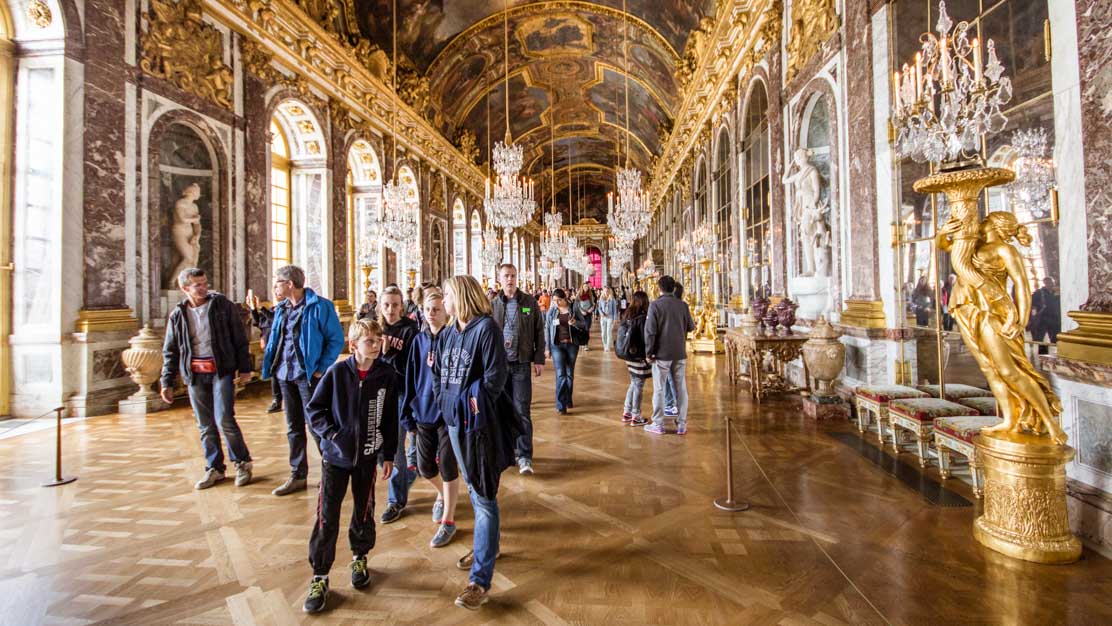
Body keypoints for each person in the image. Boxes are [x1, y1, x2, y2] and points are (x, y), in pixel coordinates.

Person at [302, 319, 398, 613]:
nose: (376, 344)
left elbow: (390, 418)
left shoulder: (386, 375)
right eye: (369, 340)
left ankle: (360, 556)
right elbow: (314, 410)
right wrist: (332, 434)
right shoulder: (337, 373)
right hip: (336, 458)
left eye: (378, 339)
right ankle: (320, 574)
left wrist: (388, 454)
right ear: (353, 345)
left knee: (364, 508)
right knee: (327, 515)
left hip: (367, 456)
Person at [434, 275, 519, 610]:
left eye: (448, 295)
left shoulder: (487, 329)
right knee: (473, 488)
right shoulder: (451, 332)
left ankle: (479, 581)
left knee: (483, 494)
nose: (444, 301)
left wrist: (465, 404)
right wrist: (445, 405)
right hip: (455, 423)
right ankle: (489, 544)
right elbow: (441, 374)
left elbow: (495, 380)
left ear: (462, 296)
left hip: (478, 424)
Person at [160, 268, 254, 490]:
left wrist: (245, 368)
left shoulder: (222, 306)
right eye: (197, 285)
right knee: (205, 424)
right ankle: (215, 468)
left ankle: (242, 463)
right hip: (195, 373)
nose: (203, 288)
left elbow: (239, 338)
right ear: (185, 289)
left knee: (224, 418)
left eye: (205, 283)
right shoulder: (178, 314)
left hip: (221, 369)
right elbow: (170, 350)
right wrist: (166, 381)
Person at [262, 264, 345, 496]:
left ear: (290, 284)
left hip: (308, 377)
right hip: (284, 375)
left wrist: (320, 369)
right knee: (293, 427)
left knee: (317, 425)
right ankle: (298, 474)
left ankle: (332, 470)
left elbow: (336, 340)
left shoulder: (321, 306)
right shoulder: (281, 308)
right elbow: (277, 340)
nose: (275, 286)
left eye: (277, 281)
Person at [401, 289, 461, 548]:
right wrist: (407, 412)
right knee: (425, 467)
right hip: (424, 410)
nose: (432, 314)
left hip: (448, 413)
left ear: (446, 311)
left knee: (448, 465)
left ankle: (448, 519)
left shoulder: (455, 338)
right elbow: (411, 376)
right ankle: (441, 495)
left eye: (437, 309)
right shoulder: (418, 341)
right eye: (428, 310)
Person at [489, 263, 545, 475]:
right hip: (499, 365)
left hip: (521, 363)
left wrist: (539, 358)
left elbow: (539, 331)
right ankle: (506, 451)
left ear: (517, 277)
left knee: (522, 410)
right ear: (500, 279)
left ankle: (525, 456)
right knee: (502, 409)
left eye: (513, 275)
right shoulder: (493, 304)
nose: (510, 280)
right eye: (506, 276)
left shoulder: (528, 302)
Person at [377, 285, 421, 524]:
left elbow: (411, 366)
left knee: (396, 450)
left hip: (401, 394)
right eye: (386, 305)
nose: (390, 310)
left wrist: (388, 354)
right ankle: (404, 477)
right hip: (378, 395)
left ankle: (396, 501)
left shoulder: (410, 330)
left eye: (395, 305)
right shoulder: (374, 328)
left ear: (402, 306)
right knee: (382, 448)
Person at [644, 275, 695, 435]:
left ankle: (658, 423)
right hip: (679, 352)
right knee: (681, 388)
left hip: (661, 354)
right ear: (673, 288)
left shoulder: (655, 306)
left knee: (659, 389)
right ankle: (681, 424)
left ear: (659, 288)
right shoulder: (683, 305)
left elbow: (650, 332)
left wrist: (649, 352)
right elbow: (691, 327)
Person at [545, 288, 587, 415]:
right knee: (560, 374)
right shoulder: (551, 312)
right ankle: (560, 404)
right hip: (557, 345)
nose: (557, 303)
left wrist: (574, 323)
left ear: (565, 299)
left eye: (559, 300)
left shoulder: (573, 309)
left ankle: (568, 398)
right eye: (554, 301)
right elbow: (547, 329)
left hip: (571, 344)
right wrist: (547, 348)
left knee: (569, 374)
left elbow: (583, 324)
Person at [247, 290, 283, 413]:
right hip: (270, 348)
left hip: (282, 348)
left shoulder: (287, 310)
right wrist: (253, 308)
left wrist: (260, 307)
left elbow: (275, 321)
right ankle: (277, 401)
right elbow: (259, 322)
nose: (277, 294)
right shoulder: (273, 309)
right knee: (274, 375)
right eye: (276, 292)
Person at [620, 291, 652, 427]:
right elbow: (645, 339)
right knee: (638, 384)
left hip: (629, 354)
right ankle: (636, 416)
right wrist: (648, 354)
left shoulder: (628, 314)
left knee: (634, 382)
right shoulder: (642, 318)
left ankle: (627, 411)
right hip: (638, 355)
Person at [1030, 277, 1060, 355]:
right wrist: (1034, 313)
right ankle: (1043, 355)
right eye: (1049, 283)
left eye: (1052, 283)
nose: (1051, 284)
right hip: (1043, 318)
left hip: (1054, 318)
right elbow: (1031, 302)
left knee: (1055, 337)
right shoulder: (1039, 292)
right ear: (1045, 283)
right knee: (1041, 337)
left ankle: (1056, 354)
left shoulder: (1056, 293)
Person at [598, 287, 618, 352]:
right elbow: (599, 308)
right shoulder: (601, 299)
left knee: (608, 332)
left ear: (609, 292)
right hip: (603, 318)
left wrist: (615, 319)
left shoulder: (612, 300)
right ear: (603, 291)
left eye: (607, 291)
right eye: (605, 291)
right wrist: (601, 313)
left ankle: (608, 347)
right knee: (603, 333)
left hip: (610, 317)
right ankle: (605, 345)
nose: (606, 292)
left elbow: (615, 310)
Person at [576, 284, 595, 351]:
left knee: (587, 329)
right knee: (581, 329)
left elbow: (593, 304)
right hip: (581, 314)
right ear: (582, 287)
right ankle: (582, 343)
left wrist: (591, 309)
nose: (586, 288)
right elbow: (577, 305)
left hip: (588, 314)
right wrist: (581, 311)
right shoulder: (579, 295)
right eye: (584, 286)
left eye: (587, 286)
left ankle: (586, 344)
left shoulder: (590, 295)